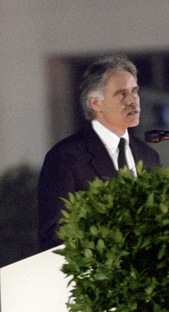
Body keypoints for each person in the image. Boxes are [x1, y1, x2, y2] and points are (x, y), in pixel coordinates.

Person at [38, 55, 160, 251]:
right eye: (121, 94)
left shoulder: (148, 156)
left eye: (134, 91)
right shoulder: (67, 157)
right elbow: (55, 235)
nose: (132, 100)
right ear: (95, 103)